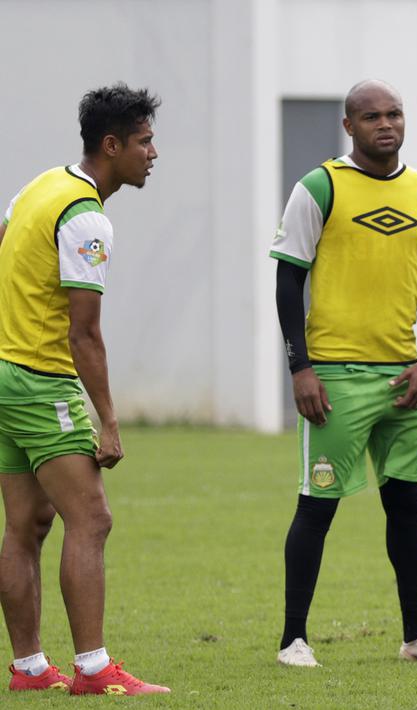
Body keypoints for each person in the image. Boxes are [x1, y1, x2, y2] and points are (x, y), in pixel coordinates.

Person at [270, 79, 417, 668]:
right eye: (373, 116)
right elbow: (287, 280)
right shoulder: (319, 187)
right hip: (335, 378)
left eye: (396, 114)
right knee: (317, 506)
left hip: (404, 379)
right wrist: (300, 368)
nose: (387, 124)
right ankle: (293, 640)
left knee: (407, 507)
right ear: (349, 126)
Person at [0, 84, 169, 695]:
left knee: (25, 525)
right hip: (41, 379)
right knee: (91, 519)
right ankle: (94, 671)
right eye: (145, 141)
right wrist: (110, 420)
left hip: (2, 375)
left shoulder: (40, 186)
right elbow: (85, 334)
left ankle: (28, 669)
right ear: (112, 145)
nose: (153, 152)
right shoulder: (85, 215)